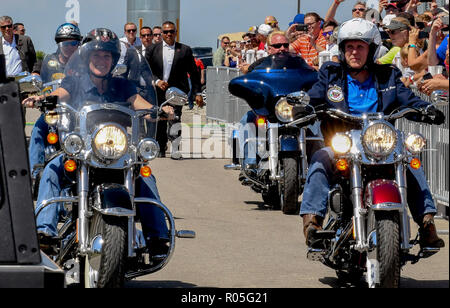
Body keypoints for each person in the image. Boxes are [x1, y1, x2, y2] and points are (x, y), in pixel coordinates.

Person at [23, 28, 175, 255]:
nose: (102, 60)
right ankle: (45, 231)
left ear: (113, 60)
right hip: (83, 149)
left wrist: (159, 109)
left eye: (107, 56)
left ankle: (157, 236)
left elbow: (139, 103)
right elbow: (60, 94)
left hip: (118, 150)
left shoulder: (123, 85)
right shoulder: (74, 82)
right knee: (53, 168)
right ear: (87, 58)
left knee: (144, 176)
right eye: (97, 55)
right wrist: (41, 99)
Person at [300, 18, 445, 250]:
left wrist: (425, 109)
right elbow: (315, 95)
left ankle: (427, 224)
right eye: (349, 47)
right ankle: (312, 223)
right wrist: (302, 104)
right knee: (320, 158)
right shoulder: (331, 74)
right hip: (345, 143)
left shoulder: (387, 75)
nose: (354, 52)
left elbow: (407, 98)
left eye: (360, 47)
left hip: (381, 142)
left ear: (371, 49)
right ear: (342, 49)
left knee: (410, 161)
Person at [28, 23, 82, 179]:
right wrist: (39, 95)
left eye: (73, 43)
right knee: (38, 129)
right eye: (65, 42)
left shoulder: (83, 63)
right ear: (59, 43)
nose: (69, 46)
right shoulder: (49, 61)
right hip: (53, 111)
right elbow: (41, 82)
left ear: (78, 44)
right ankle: (35, 173)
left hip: (77, 111)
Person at [145, 21, 203, 159]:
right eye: (165, 32)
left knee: (175, 118)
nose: (168, 34)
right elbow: (145, 71)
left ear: (176, 33)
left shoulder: (184, 50)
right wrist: (157, 81)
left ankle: (176, 147)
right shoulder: (152, 49)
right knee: (160, 118)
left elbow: (194, 72)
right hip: (157, 91)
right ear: (161, 34)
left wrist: (198, 93)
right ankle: (160, 147)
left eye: (171, 31)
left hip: (177, 91)